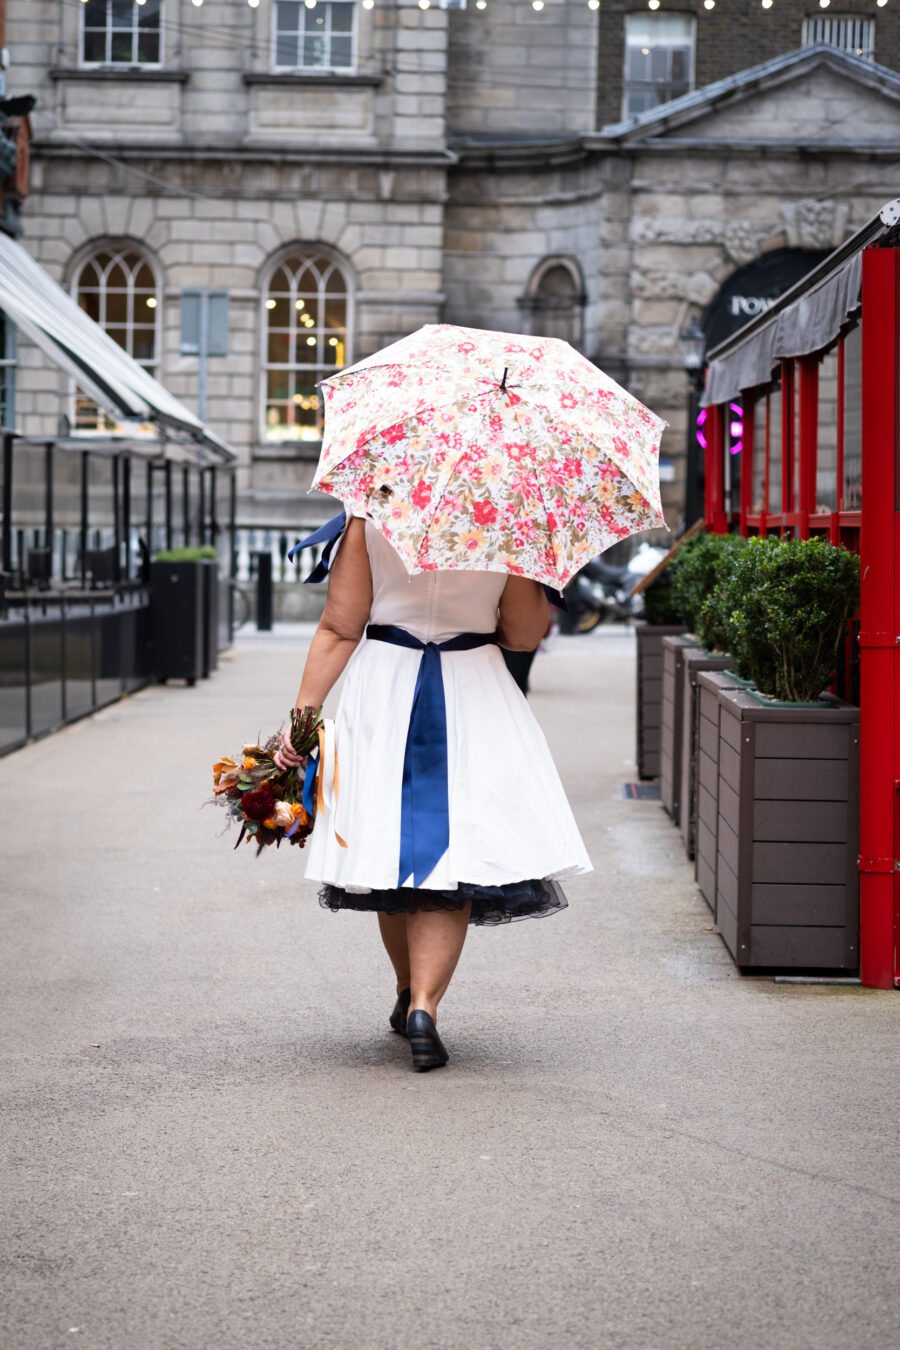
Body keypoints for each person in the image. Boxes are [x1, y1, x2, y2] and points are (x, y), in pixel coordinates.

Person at [274, 514, 591, 1072]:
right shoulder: (508, 518)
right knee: (457, 849)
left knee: (387, 849)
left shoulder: (368, 518)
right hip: (472, 689)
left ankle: (405, 989)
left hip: (384, 689)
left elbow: (339, 628)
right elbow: (522, 634)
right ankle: (424, 1005)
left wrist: (301, 720)